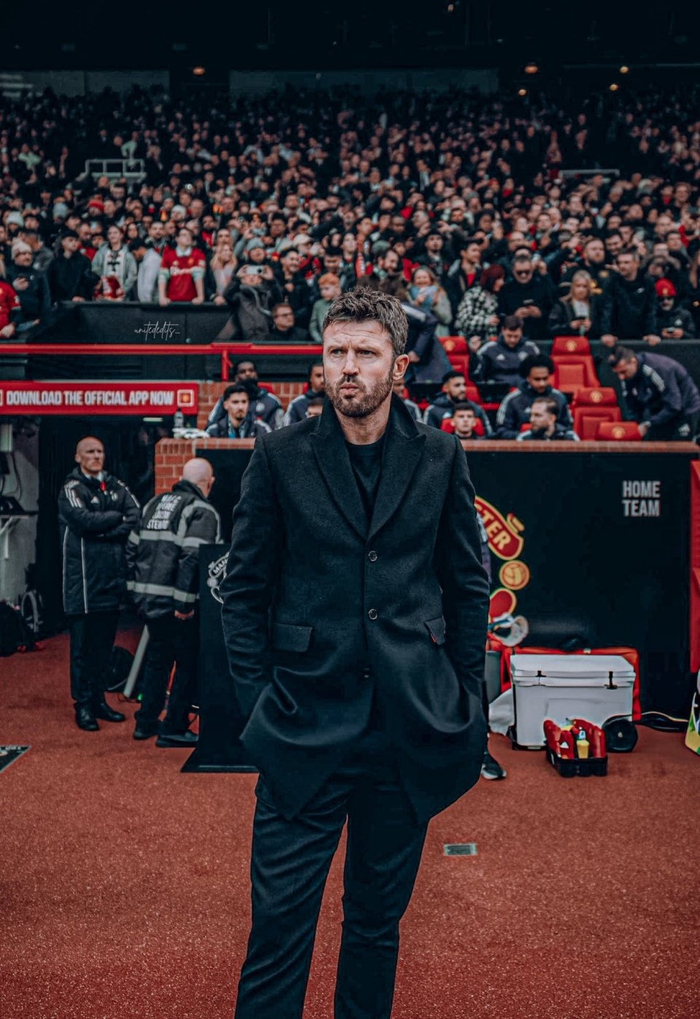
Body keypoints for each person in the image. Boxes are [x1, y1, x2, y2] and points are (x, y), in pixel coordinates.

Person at [221, 288, 489, 1019]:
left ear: (398, 366)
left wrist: (467, 700)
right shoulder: (279, 454)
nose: (347, 366)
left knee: (374, 927)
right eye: (336, 351)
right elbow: (242, 592)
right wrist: (258, 705)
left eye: (365, 352)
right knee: (278, 931)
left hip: (406, 729)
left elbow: (468, 585)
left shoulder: (441, 454)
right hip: (301, 726)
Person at [126, 458, 221, 745]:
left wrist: (135, 593)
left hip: (148, 600)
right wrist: (184, 604)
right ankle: (174, 727)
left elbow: (130, 548)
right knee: (188, 663)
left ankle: (146, 722)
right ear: (209, 483)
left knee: (158, 659)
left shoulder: (152, 504)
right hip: (176, 605)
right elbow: (193, 557)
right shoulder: (201, 510)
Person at [58, 436, 140, 731]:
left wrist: (105, 529)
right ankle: (82, 706)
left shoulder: (116, 485)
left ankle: (98, 701)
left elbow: (135, 515)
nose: (96, 456)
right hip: (82, 583)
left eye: (100, 451)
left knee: (104, 647)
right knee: (82, 650)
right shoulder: (71, 488)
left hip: (111, 581)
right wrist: (114, 519)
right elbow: (84, 520)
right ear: (78, 457)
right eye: (90, 452)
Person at [609, 346, 700, 441]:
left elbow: (674, 405)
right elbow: (632, 405)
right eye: (617, 373)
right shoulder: (627, 377)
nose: (621, 377)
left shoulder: (657, 368)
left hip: (685, 410)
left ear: (633, 362)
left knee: (680, 446)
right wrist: (635, 424)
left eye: (623, 372)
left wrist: (649, 423)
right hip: (660, 411)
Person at [495, 354, 572, 439]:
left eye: (545, 378)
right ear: (528, 378)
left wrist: (552, 432)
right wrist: (525, 437)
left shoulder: (559, 398)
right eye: (537, 379)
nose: (542, 383)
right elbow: (502, 430)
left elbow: (567, 427)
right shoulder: (512, 400)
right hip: (521, 445)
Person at [600, 250, 660, 347]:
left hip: (642, 335)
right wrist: (606, 332)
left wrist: (651, 332)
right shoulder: (611, 282)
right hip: (617, 337)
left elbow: (651, 309)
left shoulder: (647, 282)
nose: (622, 266)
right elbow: (607, 309)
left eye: (626, 262)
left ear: (637, 263)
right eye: (620, 263)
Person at [472, 315, 540, 389]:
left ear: (521, 332)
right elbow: (478, 375)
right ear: (503, 330)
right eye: (509, 336)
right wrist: (473, 353)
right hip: (498, 390)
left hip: (524, 389)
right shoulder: (489, 349)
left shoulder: (531, 348)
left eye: (516, 336)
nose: (512, 340)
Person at [498, 253, 555, 340]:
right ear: (513, 271)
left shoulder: (541, 286)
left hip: (540, 334)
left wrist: (541, 313)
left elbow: (553, 305)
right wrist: (514, 317)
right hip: (514, 337)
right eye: (519, 272)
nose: (523, 275)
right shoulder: (505, 289)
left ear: (532, 270)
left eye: (527, 272)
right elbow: (500, 314)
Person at [424, 368, 493, 436]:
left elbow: (489, 435)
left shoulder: (477, 409)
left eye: (464, 385)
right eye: (457, 385)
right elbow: (428, 437)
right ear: (446, 388)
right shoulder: (433, 410)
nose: (462, 389)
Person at [454, 264, 505, 352]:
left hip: (488, 344)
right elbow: (464, 321)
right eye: (499, 279)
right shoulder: (472, 294)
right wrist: (487, 321)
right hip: (467, 341)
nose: (502, 283)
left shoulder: (495, 298)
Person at [158, 226, 206, 305]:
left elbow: (198, 276)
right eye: (184, 235)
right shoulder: (168, 255)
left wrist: (200, 297)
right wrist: (162, 297)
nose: (188, 237)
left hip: (192, 302)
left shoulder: (198, 254)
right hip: (172, 301)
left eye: (189, 235)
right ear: (177, 238)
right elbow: (163, 277)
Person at [7, 242, 50, 331]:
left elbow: (45, 297)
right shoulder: (7, 274)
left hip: (35, 320)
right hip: (12, 322)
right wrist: (13, 288)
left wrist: (43, 318)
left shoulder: (39, 274)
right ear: (15, 257)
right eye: (23, 254)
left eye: (30, 254)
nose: (28, 257)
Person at [46, 230, 97, 304]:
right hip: (60, 302)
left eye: (76, 240)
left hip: (80, 301)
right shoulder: (55, 263)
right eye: (70, 240)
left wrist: (82, 296)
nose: (74, 243)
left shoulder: (84, 261)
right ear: (63, 242)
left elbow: (87, 282)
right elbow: (51, 284)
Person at [547, 270, 602, 338]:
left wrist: (592, 326)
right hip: (568, 342)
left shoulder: (595, 304)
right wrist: (569, 326)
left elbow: (602, 326)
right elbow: (552, 327)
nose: (581, 290)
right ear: (573, 287)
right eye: (578, 286)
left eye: (584, 286)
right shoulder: (562, 304)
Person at [205, 384, 273, 438]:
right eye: (235, 402)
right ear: (225, 405)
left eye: (244, 402)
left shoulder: (261, 428)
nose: (240, 407)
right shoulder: (214, 430)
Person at [92, 224, 138, 300]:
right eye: (110, 233)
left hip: (123, 296)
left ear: (121, 235)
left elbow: (132, 274)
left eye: (115, 233)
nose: (112, 235)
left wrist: (124, 289)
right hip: (104, 293)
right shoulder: (101, 253)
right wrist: (101, 280)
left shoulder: (128, 254)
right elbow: (95, 269)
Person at [407, 266, 452, 337]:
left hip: (438, 334)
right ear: (413, 281)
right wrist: (417, 304)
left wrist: (436, 305)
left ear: (431, 279)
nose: (422, 280)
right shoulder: (408, 295)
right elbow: (406, 319)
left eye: (425, 277)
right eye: (418, 278)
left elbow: (447, 319)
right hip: (417, 335)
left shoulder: (440, 294)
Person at [284, 360, 326, 425]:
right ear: (310, 378)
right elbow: (287, 429)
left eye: (325, 376)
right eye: (318, 376)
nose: (322, 380)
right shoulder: (297, 404)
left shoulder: (337, 403)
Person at [309, 273, 341, 343]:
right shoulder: (318, 305)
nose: (323, 292)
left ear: (336, 288)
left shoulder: (344, 303)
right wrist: (319, 340)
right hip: (324, 340)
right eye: (321, 289)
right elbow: (313, 326)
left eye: (326, 288)